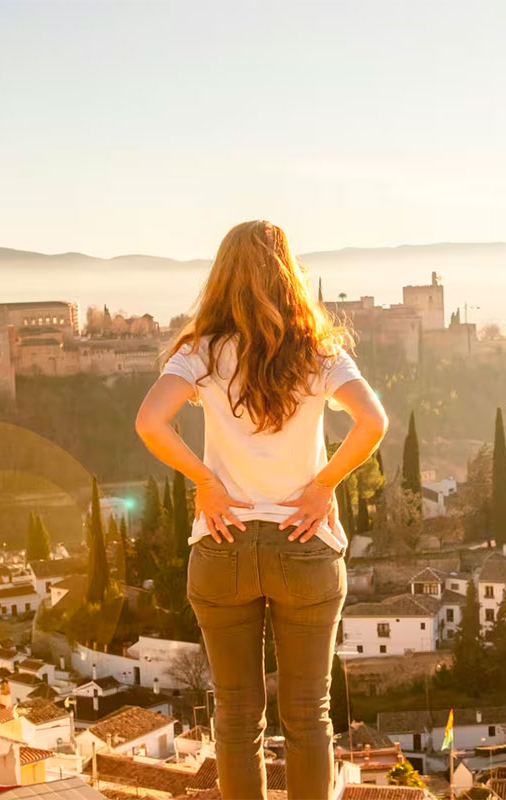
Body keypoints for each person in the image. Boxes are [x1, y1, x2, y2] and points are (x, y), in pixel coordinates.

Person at [135, 220, 388, 800]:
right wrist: (324, 484)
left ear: (222, 277)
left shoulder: (200, 351)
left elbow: (149, 422)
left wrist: (204, 481)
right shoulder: (320, 350)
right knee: (308, 716)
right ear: (289, 274)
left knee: (235, 718)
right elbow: (373, 421)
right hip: (304, 544)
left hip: (222, 543)